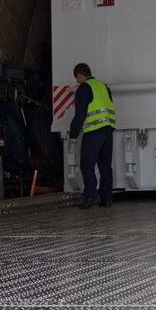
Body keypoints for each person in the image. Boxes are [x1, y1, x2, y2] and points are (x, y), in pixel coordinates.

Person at [68, 62, 116, 209]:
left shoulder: (84, 88)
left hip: (94, 131)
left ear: (79, 75)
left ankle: (90, 196)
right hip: (108, 130)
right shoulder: (104, 86)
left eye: (76, 78)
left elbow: (80, 114)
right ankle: (106, 198)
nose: (77, 81)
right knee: (105, 166)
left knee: (87, 164)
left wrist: (73, 134)